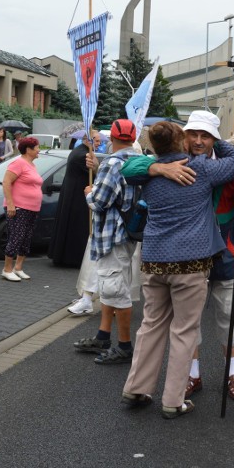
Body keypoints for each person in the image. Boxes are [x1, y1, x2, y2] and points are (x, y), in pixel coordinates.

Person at [122, 110, 234, 401]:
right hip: (188, 259)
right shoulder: (171, 162)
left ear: (215, 138)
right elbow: (129, 168)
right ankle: (191, 375)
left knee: (228, 320)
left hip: (224, 253)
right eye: (194, 134)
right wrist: (158, 169)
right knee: (187, 323)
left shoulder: (231, 166)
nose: (199, 141)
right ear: (184, 136)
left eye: (206, 136)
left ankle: (231, 373)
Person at [72, 120, 140, 364]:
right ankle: (103, 336)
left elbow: (100, 202)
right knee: (112, 287)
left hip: (112, 235)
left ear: (112, 137)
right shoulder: (136, 161)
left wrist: (89, 192)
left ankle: (124, 346)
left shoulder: (113, 163)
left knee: (115, 291)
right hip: (127, 234)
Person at [50, 131, 101, 270]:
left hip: (72, 193)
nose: (99, 143)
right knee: (77, 227)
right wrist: (95, 164)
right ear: (88, 140)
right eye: (96, 141)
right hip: (77, 195)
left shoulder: (79, 151)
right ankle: (74, 259)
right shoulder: (84, 155)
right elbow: (97, 174)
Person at [0, 137, 43, 282]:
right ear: (29, 149)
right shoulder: (18, 163)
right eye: (37, 147)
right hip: (19, 207)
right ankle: (7, 269)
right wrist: (11, 204)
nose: (39, 150)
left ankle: (18, 268)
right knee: (16, 237)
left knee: (26, 238)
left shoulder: (32, 165)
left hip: (32, 208)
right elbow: (6, 182)